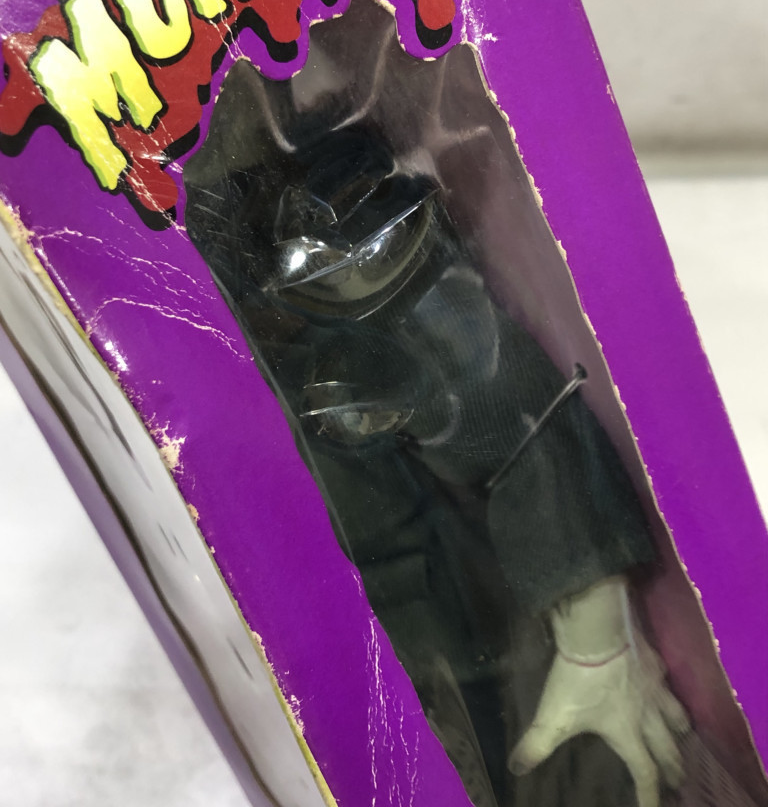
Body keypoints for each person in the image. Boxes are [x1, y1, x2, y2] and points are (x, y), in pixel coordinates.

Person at [185, 78, 688, 807]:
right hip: (295, 644)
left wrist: (597, 642)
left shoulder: (323, 228)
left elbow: (507, 410)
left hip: (445, 620)